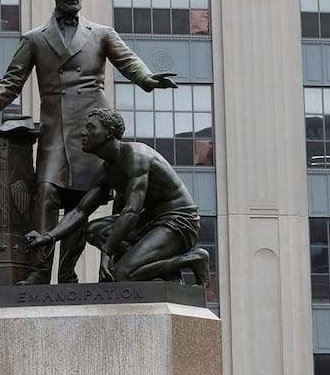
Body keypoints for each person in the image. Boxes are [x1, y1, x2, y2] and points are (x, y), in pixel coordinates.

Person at [0, 0, 177, 284]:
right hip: (56, 132)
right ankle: (40, 273)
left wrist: (147, 78)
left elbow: (129, 61)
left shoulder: (101, 34)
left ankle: (67, 275)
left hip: (93, 130)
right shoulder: (35, 39)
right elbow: (11, 82)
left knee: (80, 202)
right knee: (46, 194)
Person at [25, 108, 209, 286]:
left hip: (178, 222)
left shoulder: (136, 157)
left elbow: (131, 212)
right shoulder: (107, 169)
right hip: (149, 222)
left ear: (109, 132)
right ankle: (147, 266)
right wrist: (48, 237)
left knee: (122, 275)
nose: (83, 133)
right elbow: (80, 211)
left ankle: (192, 259)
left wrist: (107, 252)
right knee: (93, 230)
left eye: (90, 128)